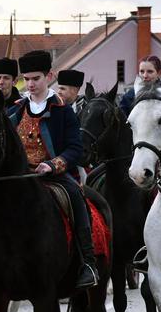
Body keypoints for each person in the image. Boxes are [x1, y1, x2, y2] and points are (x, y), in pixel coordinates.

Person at [9, 50, 98, 289]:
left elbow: (75, 149)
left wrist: (52, 164)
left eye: (35, 78)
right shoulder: (16, 110)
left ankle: (87, 262)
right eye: (26, 79)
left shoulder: (62, 110)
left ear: (49, 76)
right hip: (18, 177)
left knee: (76, 197)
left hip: (54, 176)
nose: (30, 84)